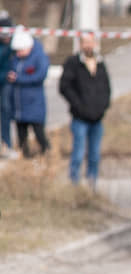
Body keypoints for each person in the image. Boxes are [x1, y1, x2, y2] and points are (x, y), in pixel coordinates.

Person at [59, 31, 111, 187]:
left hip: (97, 118)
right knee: (78, 153)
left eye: (91, 42)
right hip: (80, 117)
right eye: (85, 42)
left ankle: (92, 183)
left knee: (95, 154)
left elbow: (106, 88)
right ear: (80, 44)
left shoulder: (100, 62)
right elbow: (65, 87)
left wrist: (103, 106)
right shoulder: (73, 62)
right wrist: (78, 106)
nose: (88, 45)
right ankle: (74, 183)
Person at [8, 27, 49, 157]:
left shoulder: (39, 57)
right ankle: (25, 158)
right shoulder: (15, 59)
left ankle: (46, 155)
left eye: (21, 50)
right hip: (19, 104)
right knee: (21, 136)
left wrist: (19, 79)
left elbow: (40, 76)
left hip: (34, 103)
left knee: (39, 133)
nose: (18, 53)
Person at [0, 13, 15, 158]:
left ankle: (7, 144)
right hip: (3, 78)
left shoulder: (13, 43)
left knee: (6, 111)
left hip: (6, 84)